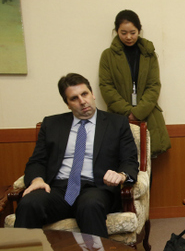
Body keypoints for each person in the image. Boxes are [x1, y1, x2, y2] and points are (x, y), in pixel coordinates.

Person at [14, 73, 139, 238]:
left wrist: (121, 175)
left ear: (92, 94)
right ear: (67, 104)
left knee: (90, 205)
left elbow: (129, 161)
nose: (82, 101)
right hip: (57, 189)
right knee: (29, 203)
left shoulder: (117, 123)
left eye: (85, 94)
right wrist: (37, 179)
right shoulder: (51, 124)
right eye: (74, 98)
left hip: (95, 188)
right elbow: (37, 161)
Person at [99, 9, 171, 157]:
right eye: (123, 33)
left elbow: (154, 86)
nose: (129, 37)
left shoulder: (149, 54)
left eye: (133, 32)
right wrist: (128, 112)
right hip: (118, 117)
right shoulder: (108, 56)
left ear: (139, 30)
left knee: (147, 167)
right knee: (120, 165)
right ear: (116, 31)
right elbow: (106, 87)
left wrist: (137, 113)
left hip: (147, 117)